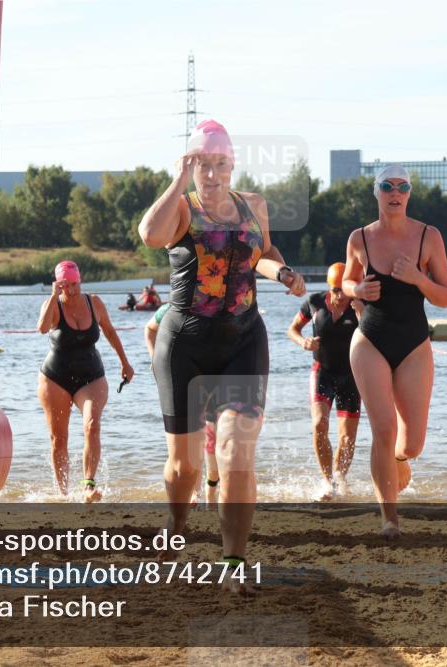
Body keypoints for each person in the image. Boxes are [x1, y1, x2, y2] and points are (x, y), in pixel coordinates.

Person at [139, 119, 306, 591]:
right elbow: (149, 234)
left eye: (220, 164)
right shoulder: (181, 208)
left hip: (242, 341)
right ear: (190, 166)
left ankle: (233, 562)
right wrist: (178, 178)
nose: (211, 174)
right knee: (186, 467)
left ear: (232, 165)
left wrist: (283, 273)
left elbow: (264, 252)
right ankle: (176, 521)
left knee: (235, 451)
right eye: (202, 165)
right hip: (184, 347)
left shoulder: (254, 205)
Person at [342, 164, 447, 539]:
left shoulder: (428, 236)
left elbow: (446, 297)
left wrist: (418, 279)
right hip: (370, 339)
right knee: (383, 428)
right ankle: (389, 519)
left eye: (403, 187)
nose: (395, 193)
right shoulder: (360, 237)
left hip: (414, 343)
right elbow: (345, 281)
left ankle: (399, 460)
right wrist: (358, 291)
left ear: (409, 194)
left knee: (412, 443)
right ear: (376, 192)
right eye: (388, 186)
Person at [37, 260, 134, 502]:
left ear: (80, 281)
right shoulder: (53, 304)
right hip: (55, 377)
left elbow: (109, 331)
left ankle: (88, 485)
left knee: (92, 425)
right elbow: (42, 328)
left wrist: (125, 362)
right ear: (59, 285)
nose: (71, 290)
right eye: (65, 286)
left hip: (91, 376)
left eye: (74, 284)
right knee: (59, 439)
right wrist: (53, 296)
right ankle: (62, 494)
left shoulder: (94, 302)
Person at [288, 262, 363, 502]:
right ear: (329, 287)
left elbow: (377, 335)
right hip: (323, 371)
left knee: (347, 438)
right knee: (319, 423)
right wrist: (303, 342)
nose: (340, 296)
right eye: (335, 290)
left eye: (344, 290)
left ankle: (340, 479)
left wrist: (361, 313)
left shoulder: (360, 304)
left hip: (352, 375)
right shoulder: (315, 302)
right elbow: (293, 329)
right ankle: (327, 481)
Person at [145, 302, 219, 507]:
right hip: (180, 379)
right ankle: (195, 493)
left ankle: (210, 491)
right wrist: (154, 359)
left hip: (211, 379)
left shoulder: (214, 307)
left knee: (211, 442)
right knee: (193, 441)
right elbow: (149, 329)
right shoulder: (169, 309)